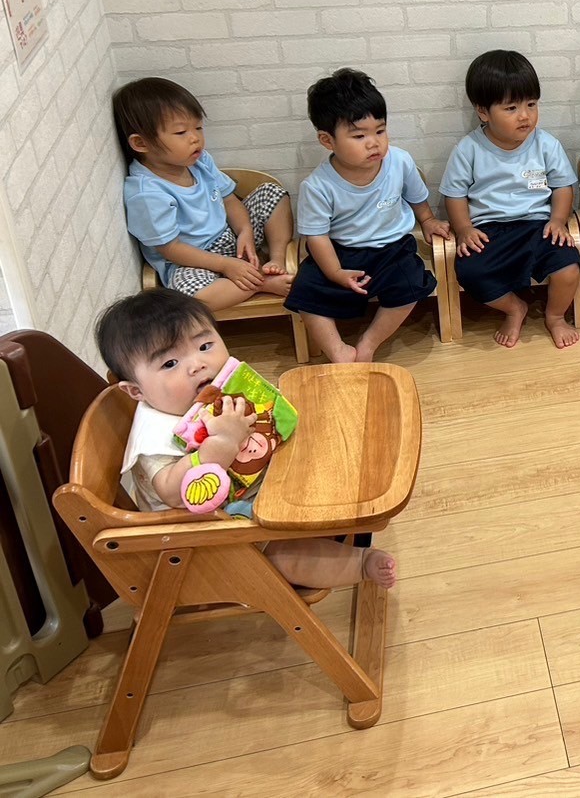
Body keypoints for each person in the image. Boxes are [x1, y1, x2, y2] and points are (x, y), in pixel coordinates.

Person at [98, 288, 396, 589]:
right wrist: (222, 444)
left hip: (258, 490)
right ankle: (361, 563)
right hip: (212, 539)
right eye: (169, 363)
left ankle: (342, 511)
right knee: (285, 557)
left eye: (204, 345)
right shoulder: (154, 436)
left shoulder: (216, 393)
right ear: (136, 391)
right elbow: (173, 493)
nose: (197, 364)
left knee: (319, 448)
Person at [284, 69, 451, 363]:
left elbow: (416, 197)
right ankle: (338, 351)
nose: (374, 143)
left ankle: (369, 343)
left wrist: (427, 220)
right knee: (305, 293)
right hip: (340, 252)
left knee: (412, 285)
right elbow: (317, 237)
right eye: (359, 135)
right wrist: (335, 272)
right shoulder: (317, 186)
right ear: (327, 140)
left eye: (380, 131)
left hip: (392, 248)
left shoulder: (399, 161)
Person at [440, 50, 580, 349]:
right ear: (483, 112)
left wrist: (558, 220)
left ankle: (555, 316)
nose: (525, 115)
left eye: (531, 104)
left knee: (569, 267)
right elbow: (454, 194)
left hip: (539, 225)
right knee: (471, 272)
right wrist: (464, 229)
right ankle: (514, 308)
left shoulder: (546, 144)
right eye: (511, 108)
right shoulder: (469, 149)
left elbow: (562, 187)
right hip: (490, 230)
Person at [115, 77, 293, 311]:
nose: (195, 138)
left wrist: (245, 231)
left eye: (198, 128)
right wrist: (224, 264)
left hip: (230, 238)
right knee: (192, 298)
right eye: (181, 132)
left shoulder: (200, 161)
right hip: (190, 261)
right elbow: (171, 249)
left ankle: (277, 260)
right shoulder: (146, 193)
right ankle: (261, 283)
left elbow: (229, 200)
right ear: (141, 143)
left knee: (271, 192)